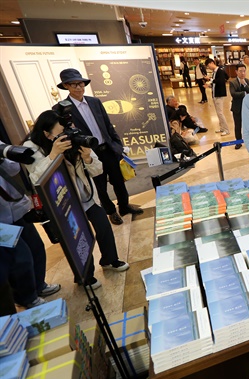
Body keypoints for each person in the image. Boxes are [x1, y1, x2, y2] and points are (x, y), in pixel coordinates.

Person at [23, 110, 130, 289]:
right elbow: (37, 178)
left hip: (85, 195)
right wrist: (53, 155)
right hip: (62, 202)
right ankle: (84, 276)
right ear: (46, 134)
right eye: (59, 134)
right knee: (78, 238)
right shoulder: (31, 148)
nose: (64, 137)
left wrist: (88, 157)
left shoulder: (73, 137)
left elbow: (97, 170)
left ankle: (110, 260)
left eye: (65, 132)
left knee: (103, 226)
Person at [54, 68, 142, 226]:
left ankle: (124, 206)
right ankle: (111, 212)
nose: (79, 88)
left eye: (81, 83)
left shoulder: (94, 102)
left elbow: (108, 126)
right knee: (100, 187)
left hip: (108, 149)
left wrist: (117, 145)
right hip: (89, 155)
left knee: (118, 181)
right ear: (66, 86)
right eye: (74, 85)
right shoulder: (61, 109)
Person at [0, 151, 61, 309]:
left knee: (36, 247)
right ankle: (27, 298)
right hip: (1, 223)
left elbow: (14, 169)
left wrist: (2, 158)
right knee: (21, 257)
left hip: (16, 210)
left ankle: (39, 285)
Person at [229, 64, 249, 150]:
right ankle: (238, 142)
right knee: (238, 125)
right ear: (236, 72)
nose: (243, 73)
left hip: (248, 108)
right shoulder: (232, 82)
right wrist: (244, 93)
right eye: (240, 71)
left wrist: (245, 86)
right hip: (237, 107)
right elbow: (233, 94)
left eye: (244, 71)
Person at [204, 58, 230, 136]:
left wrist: (210, 79)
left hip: (219, 94)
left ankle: (226, 129)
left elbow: (221, 81)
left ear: (212, 63)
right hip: (215, 93)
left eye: (209, 66)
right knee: (218, 113)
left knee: (220, 113)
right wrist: (209, 85)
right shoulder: (215, 72)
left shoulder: (220, 71)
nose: (209, 67)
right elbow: (216, 83)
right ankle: (222, 127)